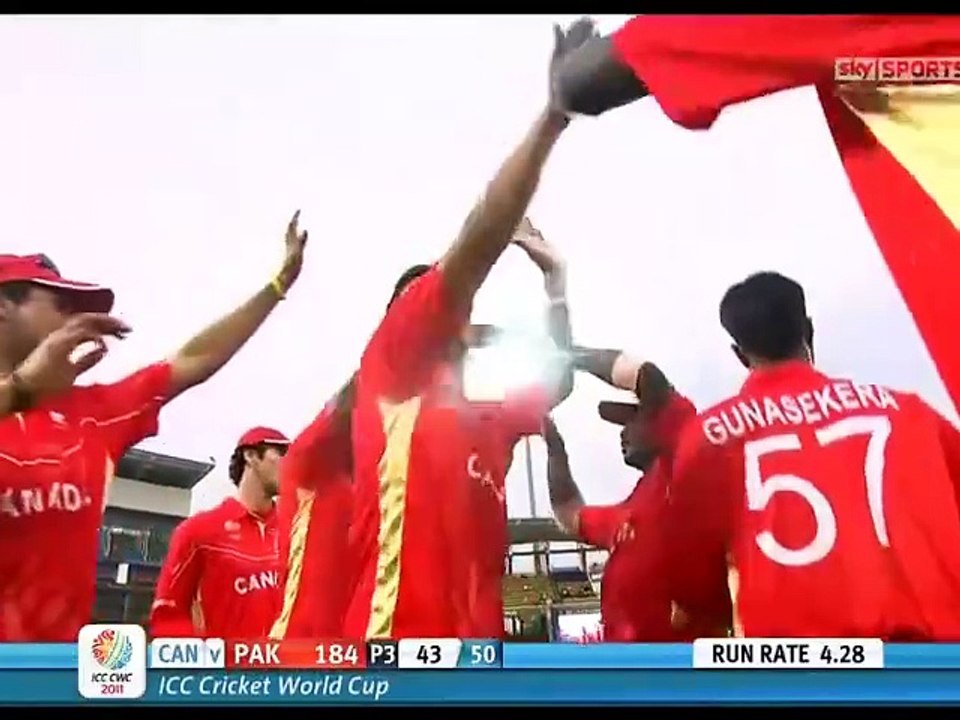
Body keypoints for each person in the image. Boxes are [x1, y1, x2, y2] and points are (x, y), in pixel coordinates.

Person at [552, 14, 960, 417]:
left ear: (739, 352)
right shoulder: (907, 419)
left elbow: (586, 81)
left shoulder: (713, 446)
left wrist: (567, 78)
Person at [343, 20, 595, 640]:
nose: (442, 309)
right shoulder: (395, 367)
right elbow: (476, 241)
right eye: (426, 298)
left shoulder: (488, 418)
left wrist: (556, 282)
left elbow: (559, 381)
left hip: (479, 656)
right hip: (391, 650)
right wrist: (553, 118)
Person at [0, 212, 307, 641]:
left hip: (53, 674)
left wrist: (275, 288)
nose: (73, 321)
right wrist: (20, 389)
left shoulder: (97, 412)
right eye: (60, 305)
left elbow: (192, 360)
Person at [667, 271, 960, 639]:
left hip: (801, 672)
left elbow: (691, 577)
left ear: (739, 354)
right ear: (807, 330)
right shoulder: (909, 412)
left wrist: (701, 613)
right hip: (935, 667)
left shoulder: (709, 437)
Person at [546, 349, 728, 641]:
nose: (623, 432)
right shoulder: (632, 509)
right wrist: (554, 449)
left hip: (681, 673)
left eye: (633, 419)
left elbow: (650, 378)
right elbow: (569, 513)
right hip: (627, 672)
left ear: (660, 423)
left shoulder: (681, 468)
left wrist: (572, 354)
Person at [150, 426, 290, 638]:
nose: (290, 464)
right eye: (281, 453)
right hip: (225, 668)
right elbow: (168, 615)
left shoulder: (295, 531)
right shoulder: (198, 531)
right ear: (251, 456)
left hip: (288, 668)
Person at [270, 376, 356, 640]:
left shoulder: (373, 483)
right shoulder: (310, 465)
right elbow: (344, 404)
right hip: (302, 644)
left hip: (357, 645)